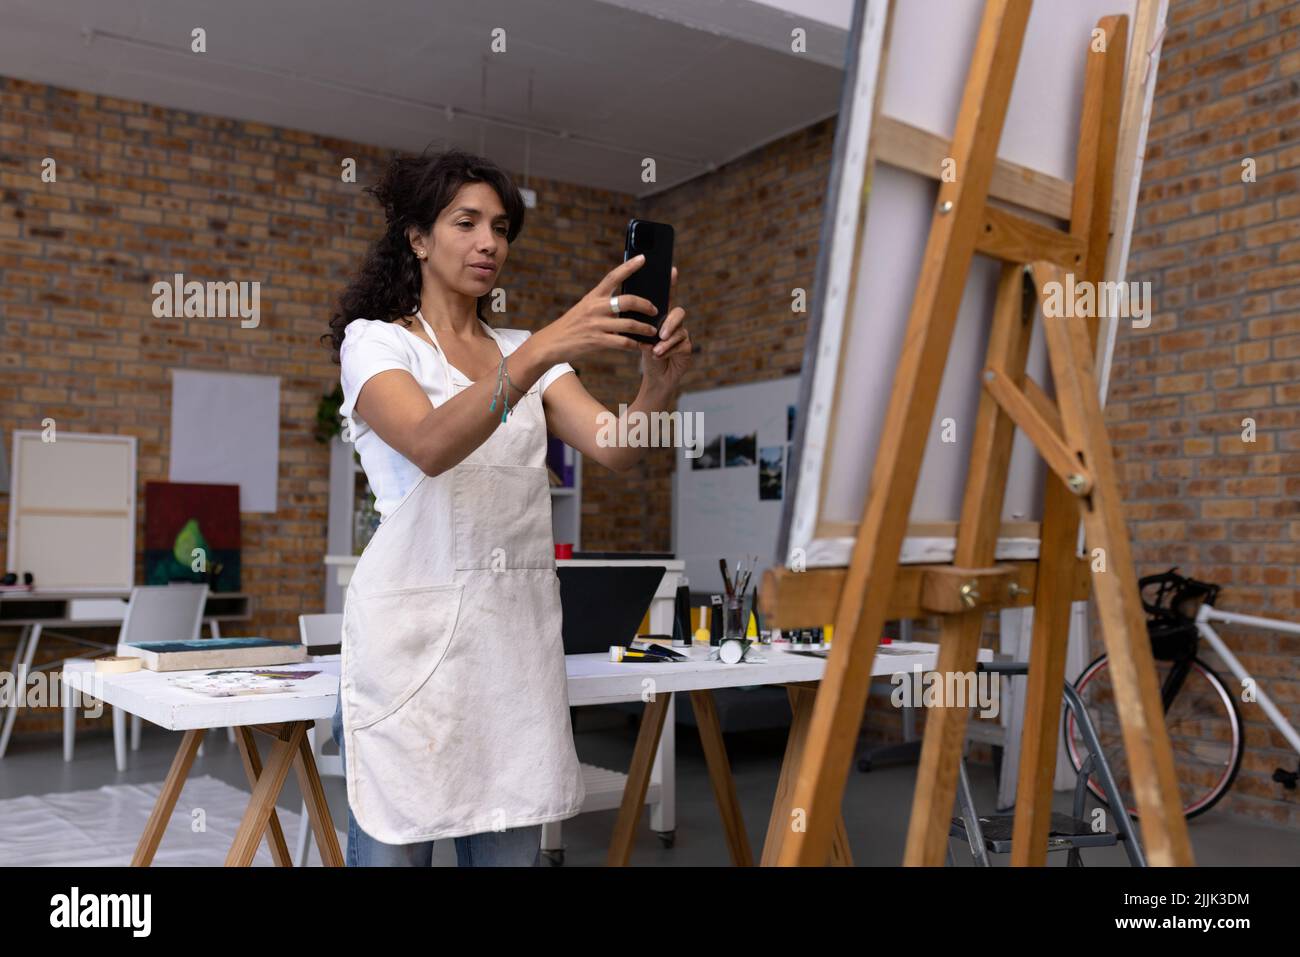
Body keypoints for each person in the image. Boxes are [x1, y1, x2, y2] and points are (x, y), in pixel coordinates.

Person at [320, 148, 692, 866]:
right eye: (466, 222)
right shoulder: (375, 344)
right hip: (410, 657)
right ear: (419, 238)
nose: (489, 241)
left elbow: (615, 447)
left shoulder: (528, 352)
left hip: (510, 657)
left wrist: (656, 386)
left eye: (500, 226)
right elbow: (430, 443)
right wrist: (543, 346)